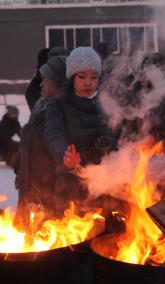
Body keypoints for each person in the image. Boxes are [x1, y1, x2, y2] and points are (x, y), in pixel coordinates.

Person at [45, 47, 116, 210]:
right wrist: (66, 156)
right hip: (71, 185)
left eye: (94, 77)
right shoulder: (57, 105)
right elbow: (53, 135)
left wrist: (109, 146)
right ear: (71, 78)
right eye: (82, 77)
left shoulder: (110, 105)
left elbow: (118, 136)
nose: (88, 83)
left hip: (107, 186)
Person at [14, 55, 67, 218]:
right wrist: (20, 169)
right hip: (30, 192)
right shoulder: (42, 108)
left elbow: (61, 164)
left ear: (58, 83)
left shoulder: (62, 115)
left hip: (46, 200)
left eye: (46, 79)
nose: (41, 83)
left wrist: (54, 202)